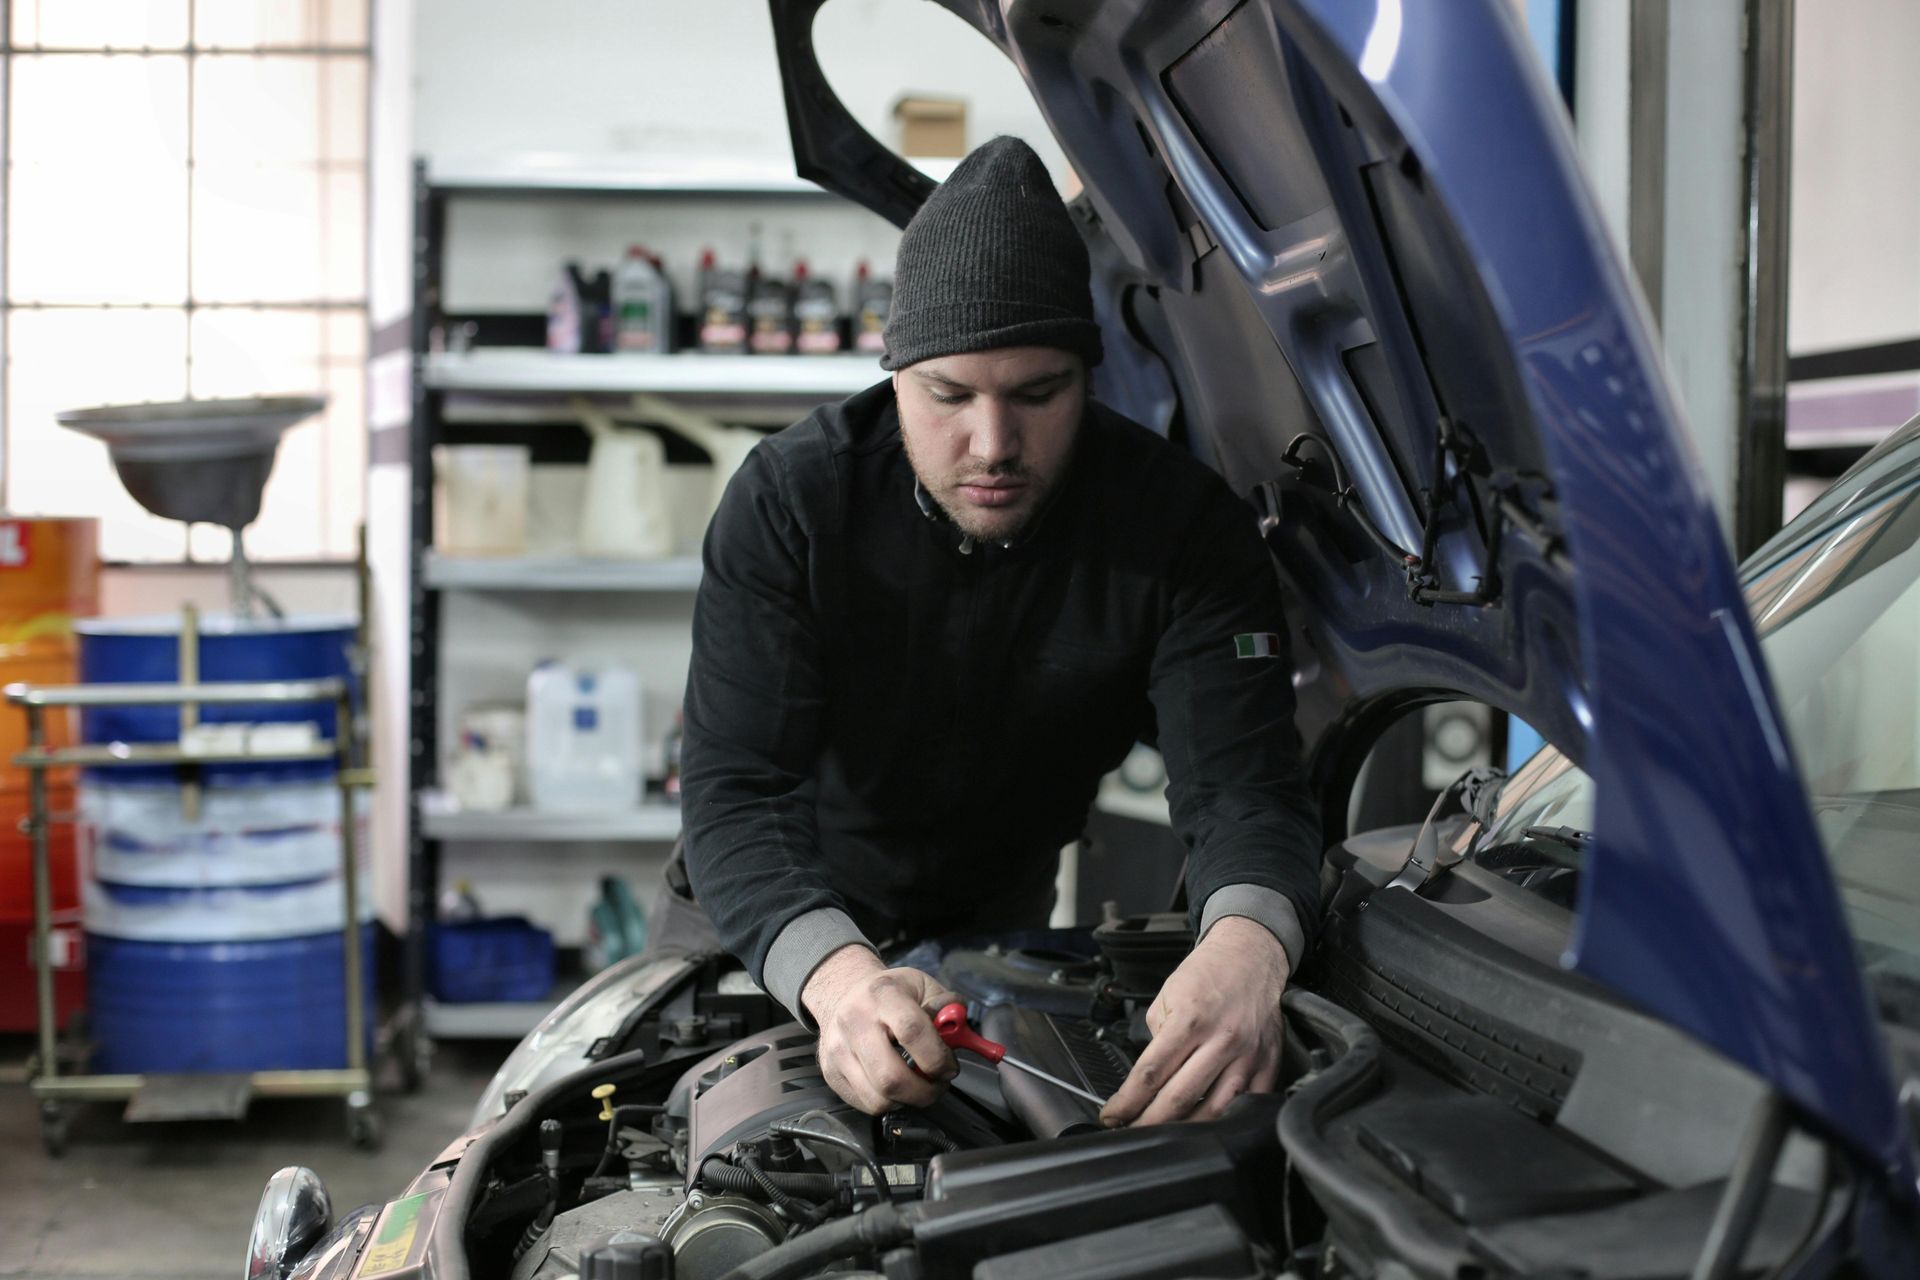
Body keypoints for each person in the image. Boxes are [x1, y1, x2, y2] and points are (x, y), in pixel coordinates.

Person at [666, 135, 1321, 1128]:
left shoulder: (1180, 529)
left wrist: (1244, 945)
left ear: (1087, 374)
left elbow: (1245, 786)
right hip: (764, 929)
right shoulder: (793, 504)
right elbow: (736, 795)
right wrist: (841, 980)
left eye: (1037, 392)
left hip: (992, 939)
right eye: (950, 395)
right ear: (894, 376)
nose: (993, 444)